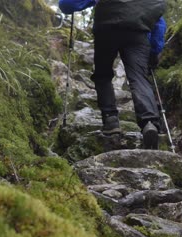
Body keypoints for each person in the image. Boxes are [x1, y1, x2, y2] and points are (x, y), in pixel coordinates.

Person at [59, 0, 167, 149]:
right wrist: (154, 51)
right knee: (138, 77)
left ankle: (110, 120)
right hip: (137, 32)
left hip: (106, 29)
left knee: (103, 75)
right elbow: (158, 21)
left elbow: (68, 5)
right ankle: (149, 122)